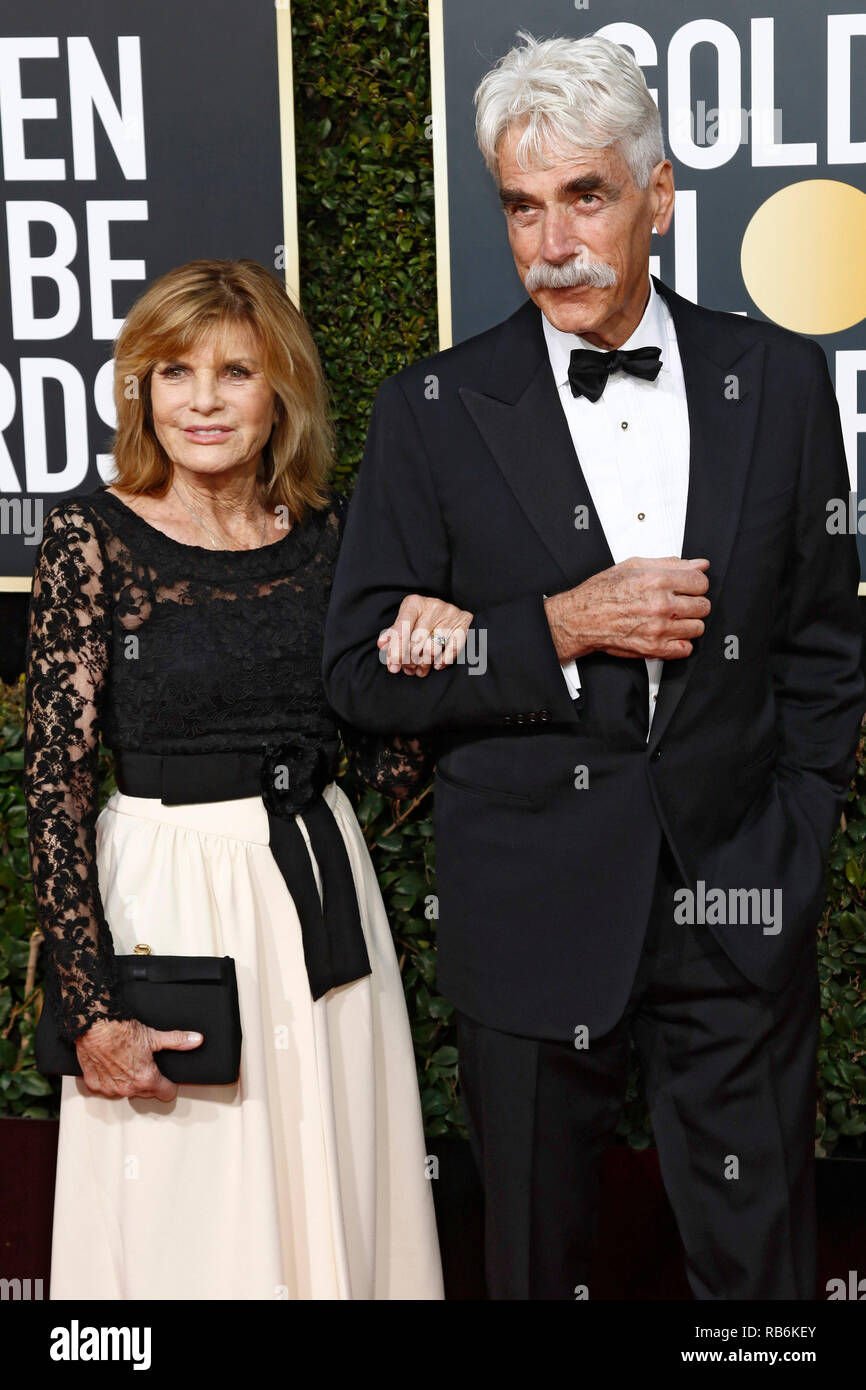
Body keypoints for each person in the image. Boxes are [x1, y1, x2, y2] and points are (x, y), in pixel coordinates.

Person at [322, 33, 866, 1299]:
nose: (551, 241)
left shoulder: (778, 382)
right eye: (521, 205)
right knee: (531, 1264)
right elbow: (355, 671)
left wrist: (792, 842)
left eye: (585, 196)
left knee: (762, 1282)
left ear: (657, 196)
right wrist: (557, 625)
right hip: (528, 915)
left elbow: (824, 651)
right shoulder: (432, 411)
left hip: (733, 897)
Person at [24, 258, 448, 1300]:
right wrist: (89, 1004)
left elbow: (389, 765)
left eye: (233, 372)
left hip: (316, 884)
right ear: (142, 390)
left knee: (333, 1172)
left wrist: (422, 648)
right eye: (173, 372)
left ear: (281, 393)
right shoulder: (92, 536)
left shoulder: (332, 537)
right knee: (182, 1209)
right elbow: (55, 782)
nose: (202, 400)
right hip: (166, 897)